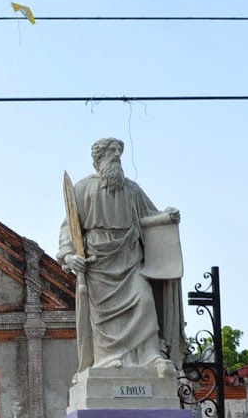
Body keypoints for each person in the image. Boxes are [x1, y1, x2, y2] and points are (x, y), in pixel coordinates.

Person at [57, 137, 184, 374]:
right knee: (104, 320)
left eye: (119, 151)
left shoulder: (132, 189)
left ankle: (151, 355)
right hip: (99, 264)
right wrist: (68, 255)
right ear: (99, 157)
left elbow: (146, 218)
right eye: (111, 151)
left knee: (144, 299)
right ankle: (107, 359)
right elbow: (70, 227)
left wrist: (166, 216)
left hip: (130, 257)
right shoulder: (84, 188)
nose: (116, 155)